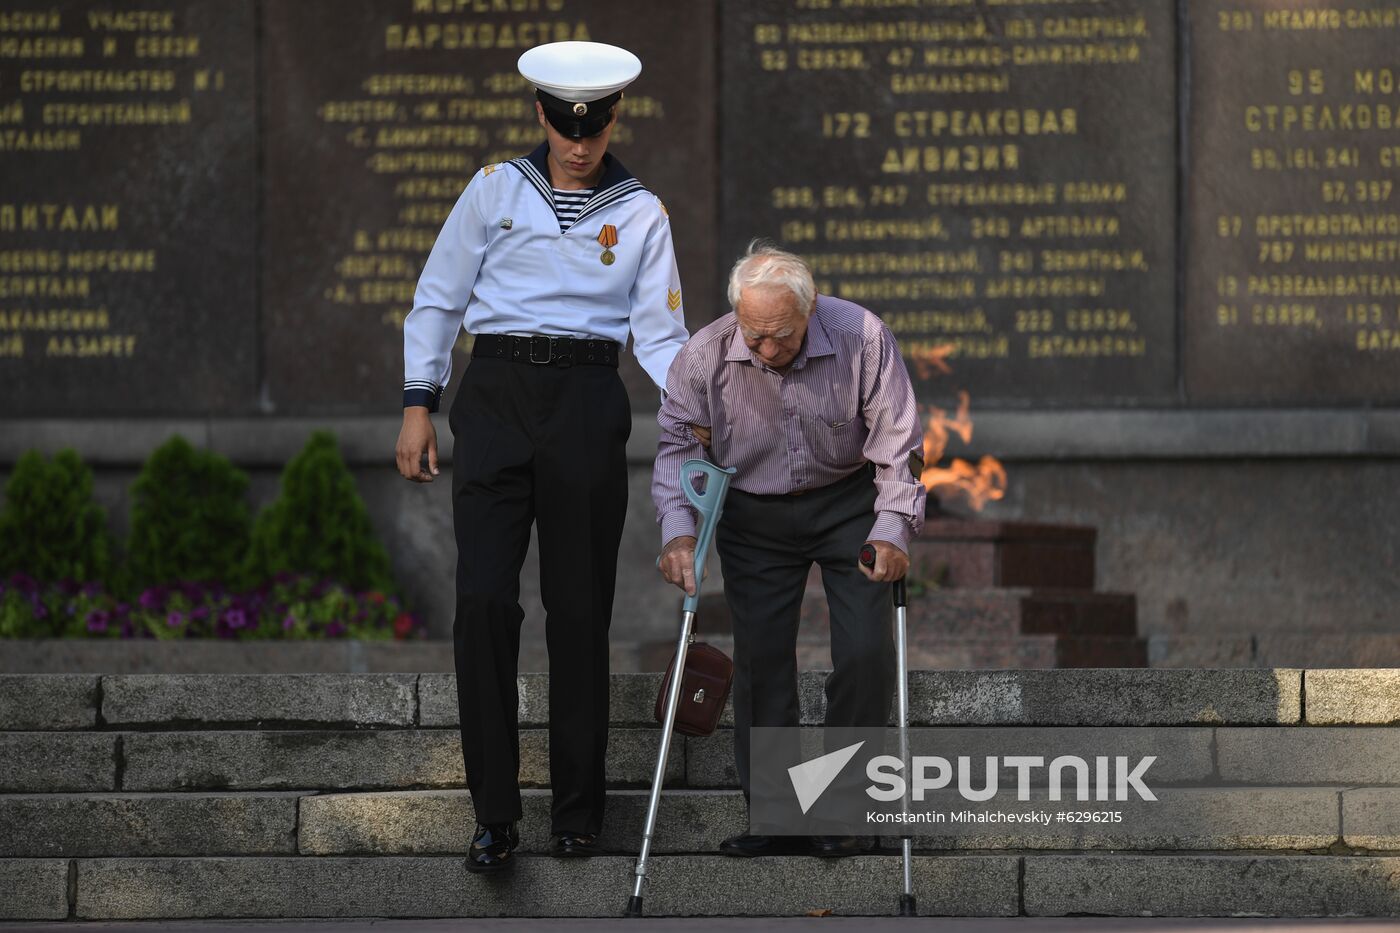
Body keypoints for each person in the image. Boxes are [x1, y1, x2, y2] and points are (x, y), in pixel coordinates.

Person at [394, 40, 688, 873]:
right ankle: (492, 815)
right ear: (541, 115)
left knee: (579, 610)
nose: (579, 142)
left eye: (592, 129)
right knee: (484, 600)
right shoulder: (494, 190)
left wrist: (698, 409)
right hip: (495, 395)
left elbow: (661, 337)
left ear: (615, 119)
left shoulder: (641, 212)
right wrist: (420, 403)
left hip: (589, 402)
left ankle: (577, 813)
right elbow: (439, 298)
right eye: (564, 125)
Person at [652, 242, 926, 857]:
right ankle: (776, 816)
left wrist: (893, 527)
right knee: (763, 660)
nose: (768, 351)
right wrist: (679, 530)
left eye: (782, 336)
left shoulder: (862, 336)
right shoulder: (706, 353)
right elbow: (677, 445)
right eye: (756, 336)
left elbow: (897, 442)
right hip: (752, 510)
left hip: (847, 502)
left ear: (810, 310)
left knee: (865, 653)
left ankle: (845, 812)